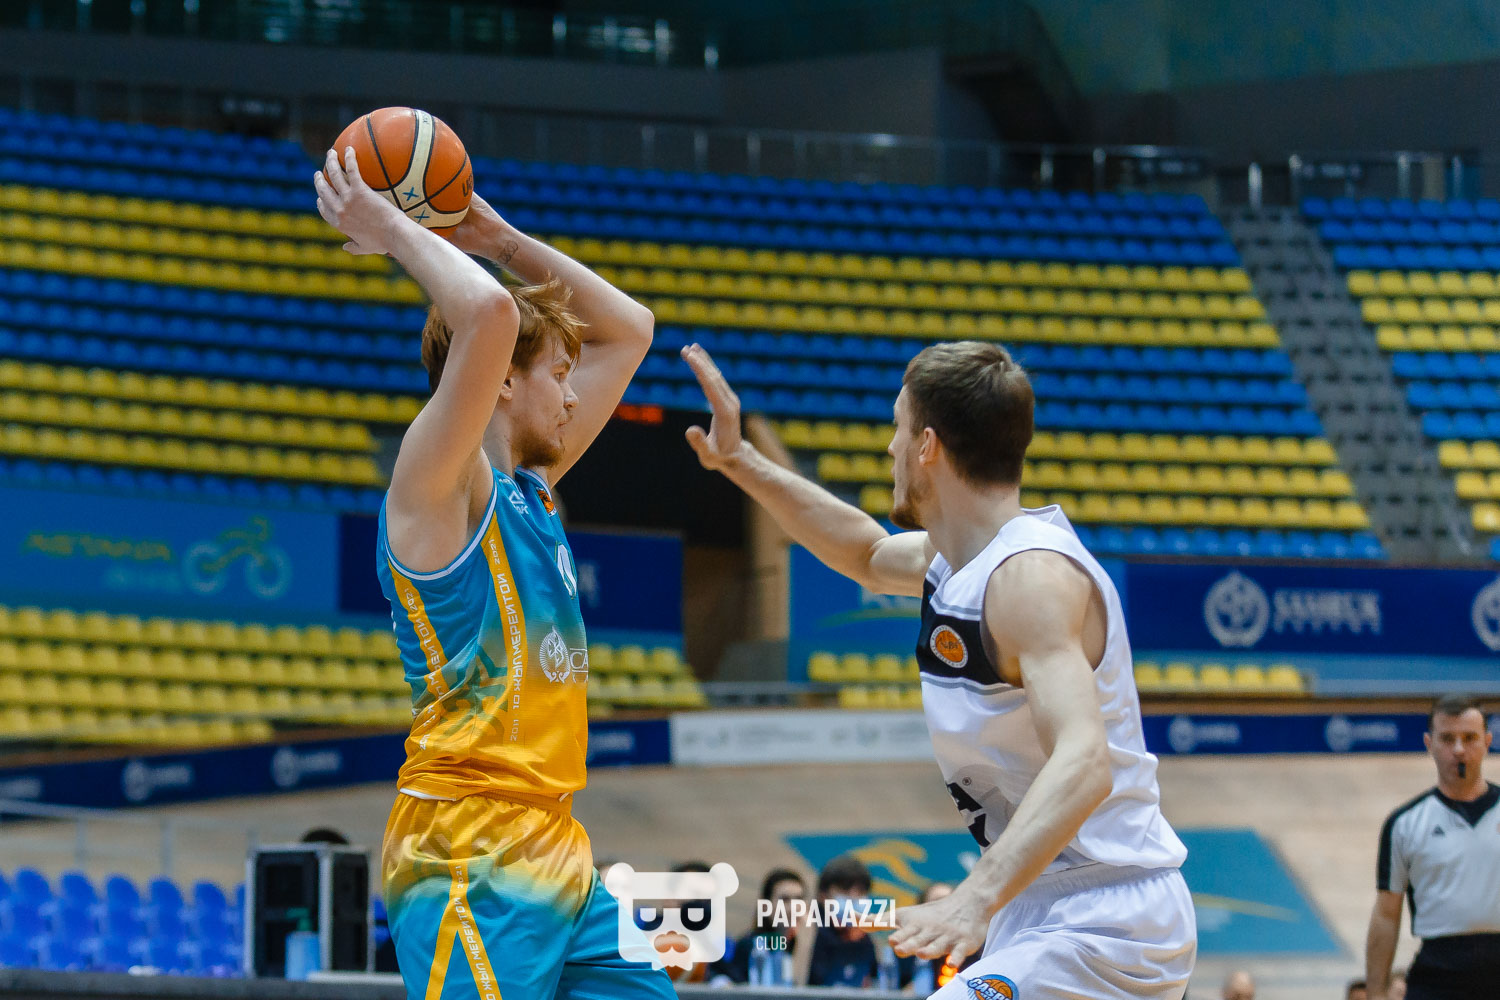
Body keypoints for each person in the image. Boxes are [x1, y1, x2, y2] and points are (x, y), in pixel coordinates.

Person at [682, 340, 1195, 998]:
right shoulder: (956, 562)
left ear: (927, 445)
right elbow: (866, 555)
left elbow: (1085, 759)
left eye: (898, 427)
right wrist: (741, 462)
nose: (889, 447)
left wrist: (974, 897)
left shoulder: (1031, 579)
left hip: (1109, 916)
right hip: (1040, 907)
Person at [315, 146, 670, 1000]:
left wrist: (497, 237)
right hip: (465, 844)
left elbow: (631, 328)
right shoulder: (440, 482)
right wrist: (390, 226)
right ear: (502, 380)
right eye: (559, 375)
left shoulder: (531, 487)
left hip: (558, 842)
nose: (575, 396)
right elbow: (486, 312)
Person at [1366, 695, 1499, 1000]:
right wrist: (1376, 993)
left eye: (1469, 738)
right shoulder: (1405, 823)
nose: (1459, 750)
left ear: (1487, 742)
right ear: (1429, 743)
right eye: (1448, 739)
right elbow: (1386, 914)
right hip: (1438, 975)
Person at [714, 867, 807, 983]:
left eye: (799, 899)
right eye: (785, 900)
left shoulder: (794, 945)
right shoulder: (749, 947)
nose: (794, 907)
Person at [806, 855, 878, 988]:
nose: (854, 897)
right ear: (823, 895)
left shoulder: (865, 939)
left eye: (861, 891)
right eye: (845, 889)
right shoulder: (808, 933)